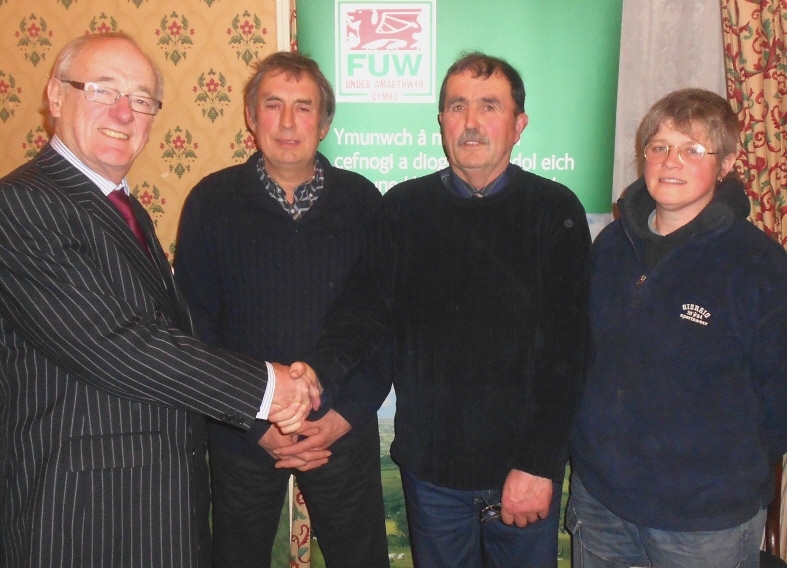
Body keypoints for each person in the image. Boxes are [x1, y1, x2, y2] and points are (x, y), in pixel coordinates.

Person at [0, 33, 318, 568]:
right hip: (82, 518)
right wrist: (269, 385)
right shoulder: (25, 204)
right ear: (56, 97)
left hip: (150, 508)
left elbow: (175, 334)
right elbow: (114, 345)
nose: (124, 112)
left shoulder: (124, 209)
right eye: (103, 90)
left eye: (142, 99)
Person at [290, 52, 591, 568]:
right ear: (441, 121)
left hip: (520, 474)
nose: (471, 122)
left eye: (489, 106)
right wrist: (314, 372)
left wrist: (539, 465)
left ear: (519, 125)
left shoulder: (555, 210)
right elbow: (362, 316)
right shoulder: (403, 209)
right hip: (431, 475)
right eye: (457, 106)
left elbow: (569, 353)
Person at [174, 51, 391, 568]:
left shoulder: (364, 203)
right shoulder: (210, 202)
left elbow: (383, 321)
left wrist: (343, 417)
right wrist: (255, 423)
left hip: (338, 432)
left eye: (303, 107)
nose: (288, 122)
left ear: (326, 122)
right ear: (252, 116)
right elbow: (194, 328)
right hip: (242, 436)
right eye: (273, 105)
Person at [568, 88, 787, 568]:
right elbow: (585, 358)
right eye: (660, 146)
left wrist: (716, 469)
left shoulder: (759, 265)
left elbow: (779, 402)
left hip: (703, 521)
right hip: (601, 500)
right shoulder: (610, 247)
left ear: (726, 164)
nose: (672, 161)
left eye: (694, 149)